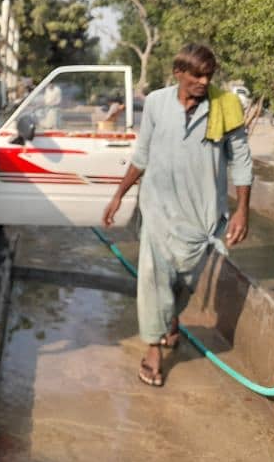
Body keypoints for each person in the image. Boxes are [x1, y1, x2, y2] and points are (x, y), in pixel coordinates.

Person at [102, 43, 252, 387]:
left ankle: (169, 320)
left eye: (209, 75)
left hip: (202, 214)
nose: (203, 81)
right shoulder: (156, 102)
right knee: (154, 278)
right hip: (157, 208)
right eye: (196, 75)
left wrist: (242, 210)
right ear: (178, 73)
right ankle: (153, 349)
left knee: (185, 280)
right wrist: (118, 195)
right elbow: (142, 154)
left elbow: (242, 160)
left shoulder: (225, 107)